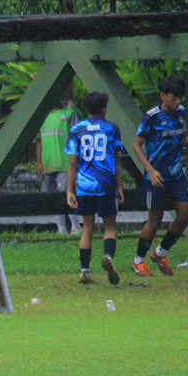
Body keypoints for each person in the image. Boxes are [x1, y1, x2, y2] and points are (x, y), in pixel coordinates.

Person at [131, 76, 188, 276]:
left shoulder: (180, 113)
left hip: (176, 174)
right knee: (154, 220)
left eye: (180, 97)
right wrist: (150, 170)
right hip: (155, 176)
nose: (178, 101)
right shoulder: (152, 116)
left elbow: (181, 136)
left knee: (185, 215)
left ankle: (160, 252)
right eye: (174, 97)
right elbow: (136, 145)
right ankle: (138, 261)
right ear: (163, 96)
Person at [65, 92, 124, 285]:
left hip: (84, 185)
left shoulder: (76, 129)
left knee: (87, 227)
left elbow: (73, 162)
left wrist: (70, 190)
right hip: (106, 183)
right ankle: (108, 256)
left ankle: (84, 271)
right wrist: (119, 187)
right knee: (110, 226)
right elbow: (116, 159)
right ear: (104, 108)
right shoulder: (111, 128)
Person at [36, 96, 83, 235]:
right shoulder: (42, 117)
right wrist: (39, 162)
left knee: (66, 193)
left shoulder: (69, 113)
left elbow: (77, 136)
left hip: (65, 163)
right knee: (52, 196)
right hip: (47, 163)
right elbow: (39, 142)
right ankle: (61, 228)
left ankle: (76, 226)